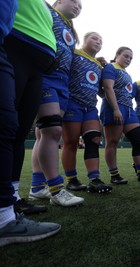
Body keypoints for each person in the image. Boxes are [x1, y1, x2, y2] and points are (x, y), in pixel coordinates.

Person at [1, 0, 60, 247]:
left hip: (39, 63)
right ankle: (4, 215)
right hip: (16, 46)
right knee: (5, 126)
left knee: (16, 130)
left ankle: (12, 202)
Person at [28, 0, 84, 207]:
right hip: (46, 76)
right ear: (59, 1)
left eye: (81, 6)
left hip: (63, 82)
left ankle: (36, 188)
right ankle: (56, 189)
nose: (78, 6)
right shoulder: (46, 11)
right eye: (75, 1)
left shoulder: (70, 28)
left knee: (44, 134)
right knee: (51, 131)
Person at [61, 32, 112, 193]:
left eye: (101, 40)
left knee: (93, 140)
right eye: (95, 38)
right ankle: (71, 179)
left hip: (90, 107)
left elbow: (100, 91)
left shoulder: (98, 65)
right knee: (71, 142)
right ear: (84, 40)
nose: (98, 42)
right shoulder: (73, 52)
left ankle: (94, 179)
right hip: (72, 104)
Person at [100, 47, 140, 183]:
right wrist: (115, 109)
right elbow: (107, 88)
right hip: (114, 108)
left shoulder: (126, 73)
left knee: (138, 139)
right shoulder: (110, 68)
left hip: (129, 110)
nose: (128, 60)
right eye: (126, 56)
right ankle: (114, 175)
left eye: (131, 58)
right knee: (112, 141)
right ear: (117, 55)